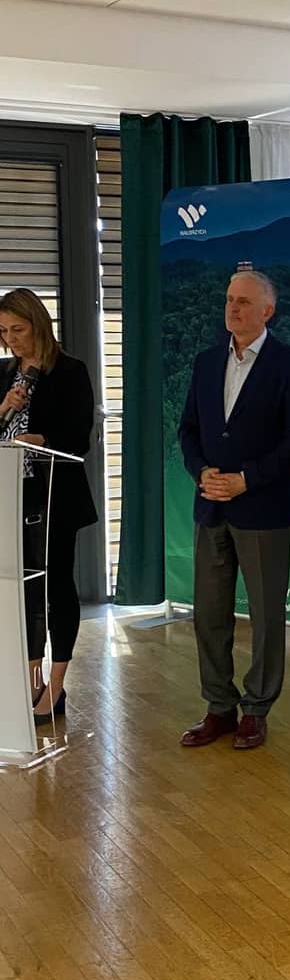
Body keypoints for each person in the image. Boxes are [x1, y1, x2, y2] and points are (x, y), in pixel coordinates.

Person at [179, 270, 290, 750]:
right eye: (229, 300)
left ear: (267, 311)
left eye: (243, 301)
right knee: (208, 614)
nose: (232, 308)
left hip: (264, 508)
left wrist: (247, 479)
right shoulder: (205, 362)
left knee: (265, 616)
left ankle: (256, 710)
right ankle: (219, 706)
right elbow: (188, 430)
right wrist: (201, 472)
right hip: (211, 505)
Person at [0, 288, 98, 724]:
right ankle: (30, 677)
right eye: (4, 331)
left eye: (18, 329)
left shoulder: (70, 371)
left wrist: (39, 439)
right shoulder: (4, 373)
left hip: (55, 495)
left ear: (39, 324)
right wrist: (3, 407)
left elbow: (80, 438)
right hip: (11, 496)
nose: (11, 340)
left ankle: (56, 684)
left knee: (56, 586)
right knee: (21, 590)